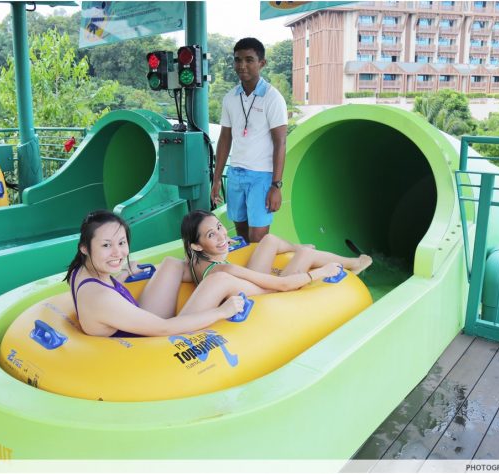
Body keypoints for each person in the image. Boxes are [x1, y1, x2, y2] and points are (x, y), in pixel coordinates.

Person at [65, 210, 249, 337]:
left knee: (171, 263)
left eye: (121, 243)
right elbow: (164, 329)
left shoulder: (79, 270)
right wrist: (221, 312)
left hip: (138, 321)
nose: (118, 253)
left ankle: (213, 260)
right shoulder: (101, 299)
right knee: (217, 281)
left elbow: (108, 295)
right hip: (150, 344)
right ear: (84, 248)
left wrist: (123, 274)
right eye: (106, 245)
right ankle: (265, 290)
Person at [181, 210, 373, 296]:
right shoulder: (224, 271)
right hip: (270, 293)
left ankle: (296, 247)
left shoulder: (195, 261)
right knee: (306, 253)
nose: (221, 234)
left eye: (219, 227)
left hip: (253, 285)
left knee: (269, 240)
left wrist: (220, 242)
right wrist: (322, 272)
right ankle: (355, 263)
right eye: (211, 234)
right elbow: (282, 285)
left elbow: (202, 251)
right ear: (197, 246)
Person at [210, 37, 288, 243]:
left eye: (249, 60)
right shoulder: (230, 97)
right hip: (235, 174)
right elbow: (224, 139)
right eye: (238, 60)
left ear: (262, 63)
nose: (242, 65)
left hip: (261, 176)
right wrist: (216, 179)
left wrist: (276, 186)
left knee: (258, 238)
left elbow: (280, 143)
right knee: (241, 236)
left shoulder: (273, 98)